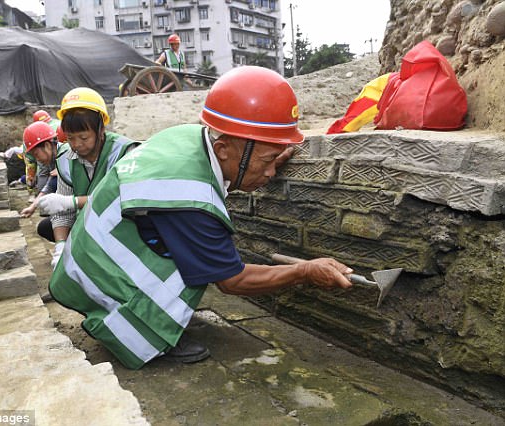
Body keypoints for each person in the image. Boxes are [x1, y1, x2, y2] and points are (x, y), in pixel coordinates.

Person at [48, 66, 353, 370]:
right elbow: (233, 280)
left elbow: (211, 179)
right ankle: (141, 331)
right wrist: (305, 272)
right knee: (198, 268)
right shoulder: (190, 199)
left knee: (193, 254)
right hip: (95, 278)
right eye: (267, 161)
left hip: (85, 257)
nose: (271, 172)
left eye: (274, 160)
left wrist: (265, 158)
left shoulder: (189, 138)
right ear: (223, 149)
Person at [36, 87, 139, 268]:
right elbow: (63, 211)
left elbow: (126, 199)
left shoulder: (124, 152)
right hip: (90, 223)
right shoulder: (66, 159)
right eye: (70, 138)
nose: (76, 145)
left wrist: (73, 202)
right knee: (47, 226)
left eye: (84, 137)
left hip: (122, 224)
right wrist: (60, 246)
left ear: (101, 130)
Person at [19, 122, 59, 243]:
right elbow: (51, 184)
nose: (37, 160)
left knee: (47, 227)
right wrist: (33, 206)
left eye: (36, 154)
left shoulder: (66, 156)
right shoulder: (53, 160)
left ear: (47, 145)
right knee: (44, 227)